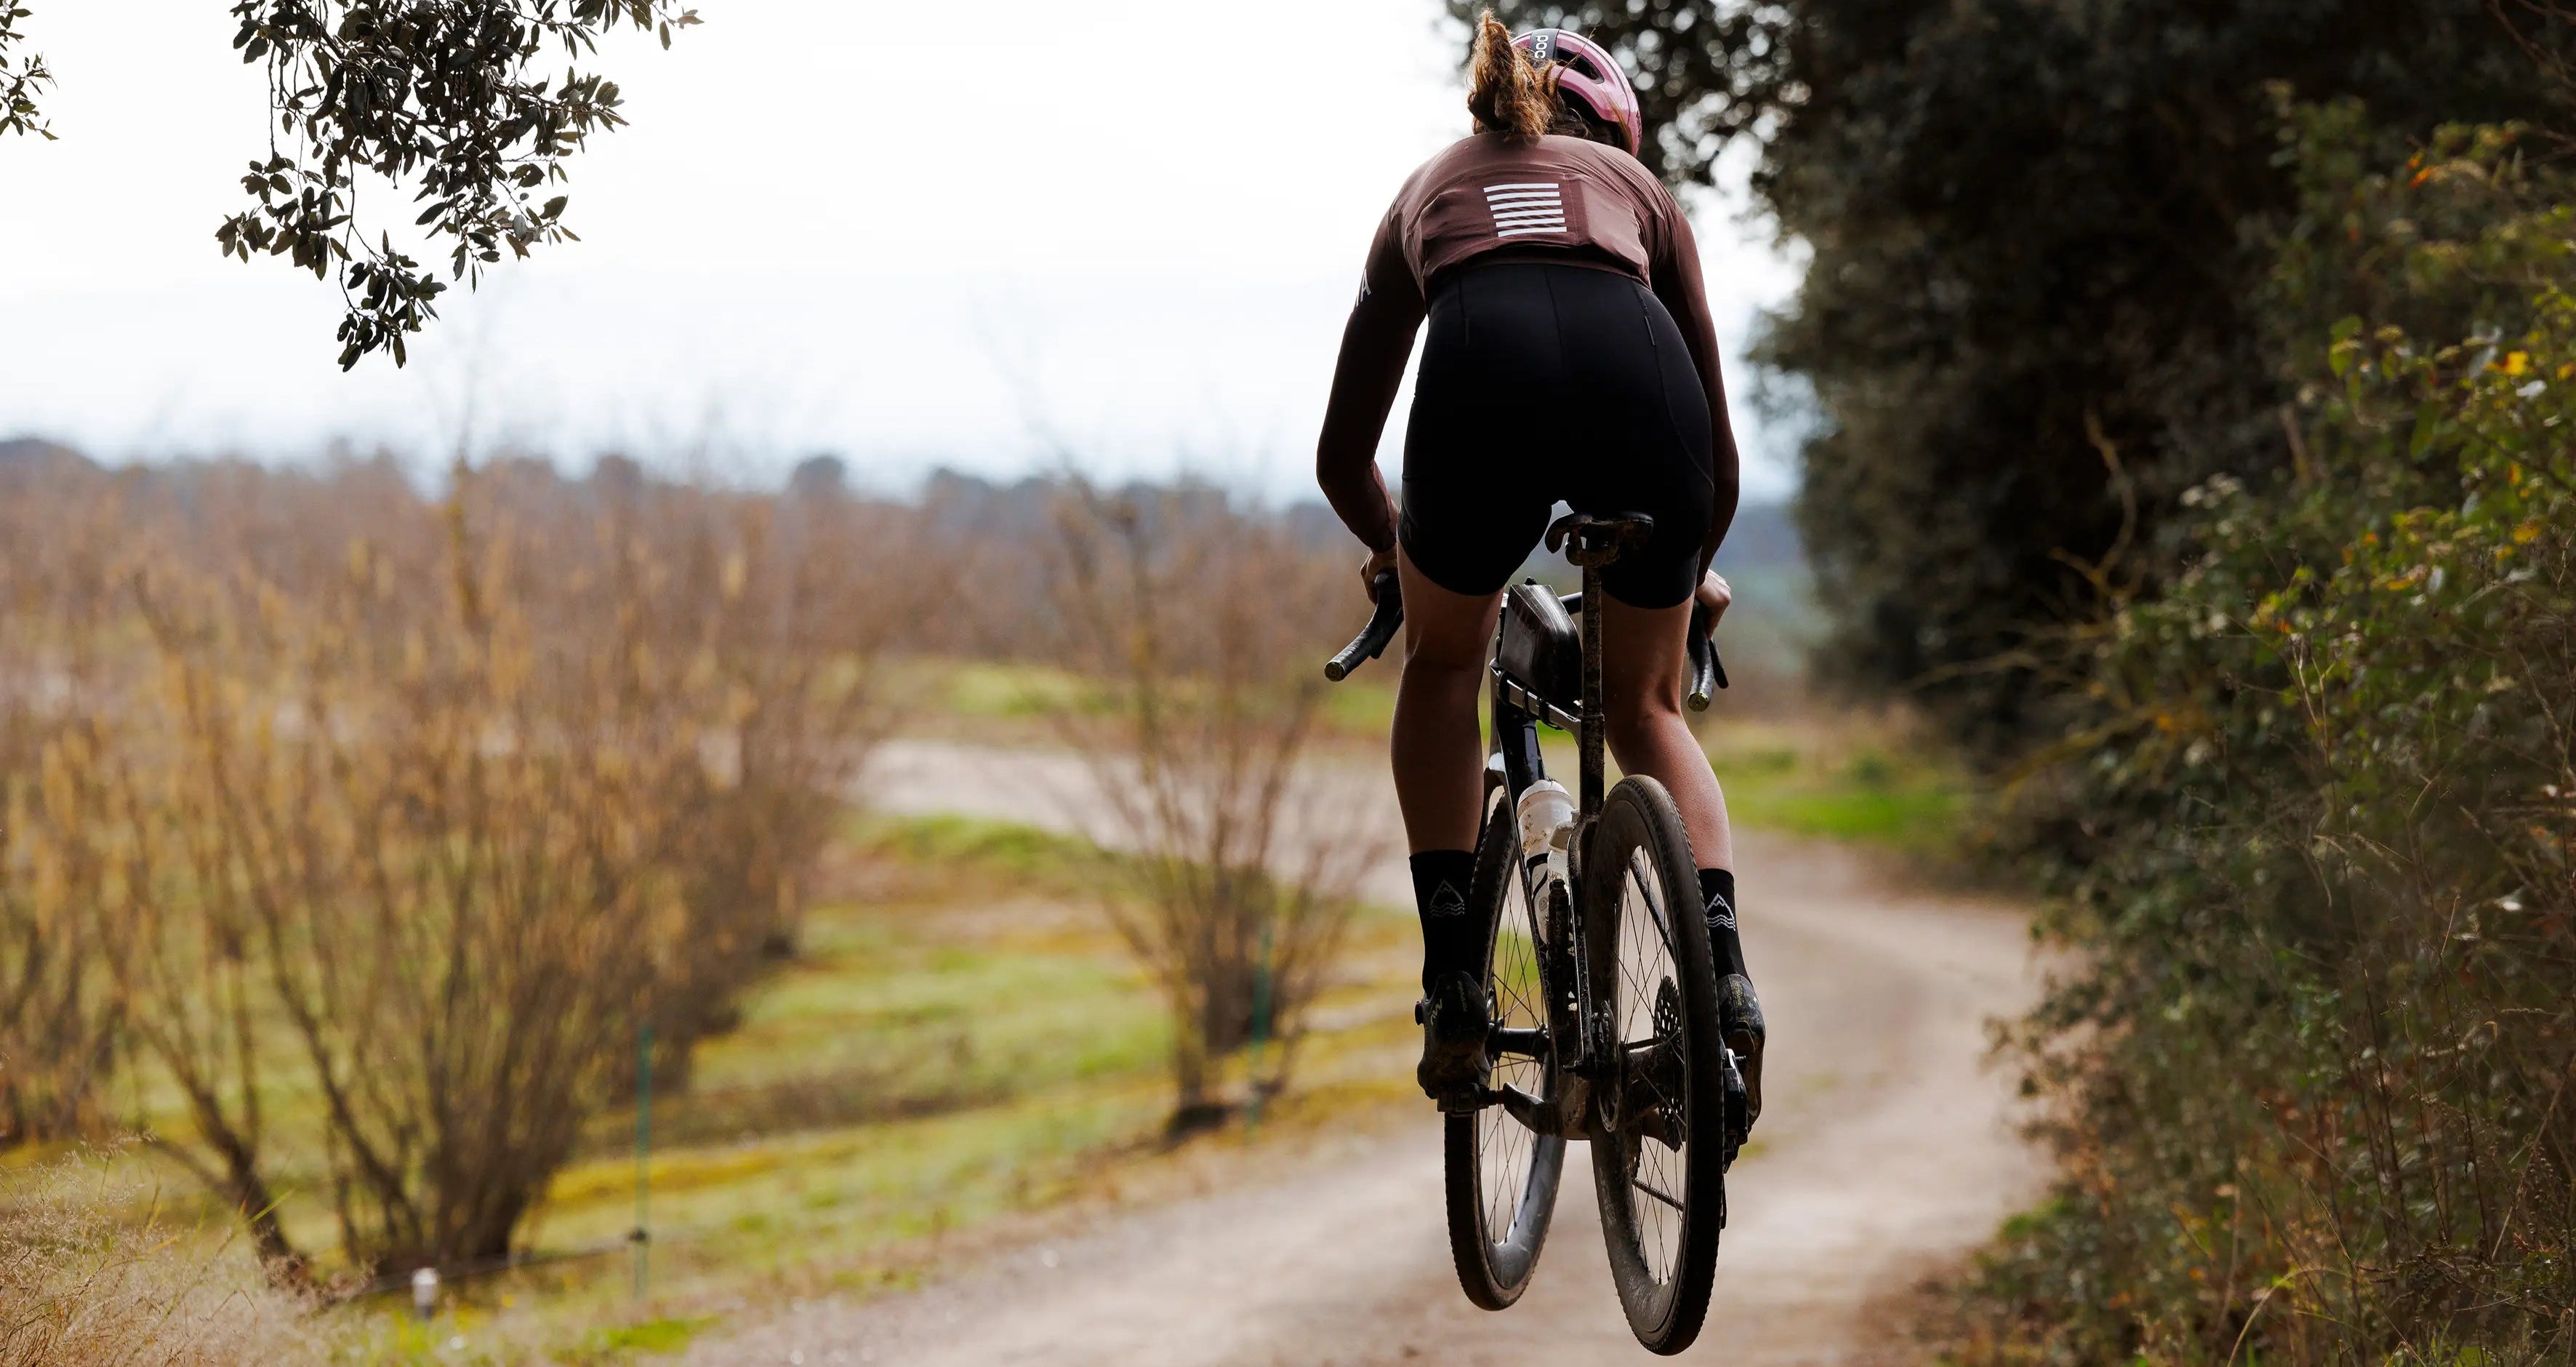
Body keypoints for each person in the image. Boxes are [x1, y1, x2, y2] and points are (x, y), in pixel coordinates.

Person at [1312, 15, 1764, 1126]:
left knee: (1442, 665)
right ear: (1618, 131)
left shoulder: (1422, 192)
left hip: (1481, 378)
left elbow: (1341, 456)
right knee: (1649, 703)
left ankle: (1455, 981)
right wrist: (1692, 570)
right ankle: (1726, 979)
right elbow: (1717, 450)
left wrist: (1394, 553)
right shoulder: (1639, 192)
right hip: (1638, 383)